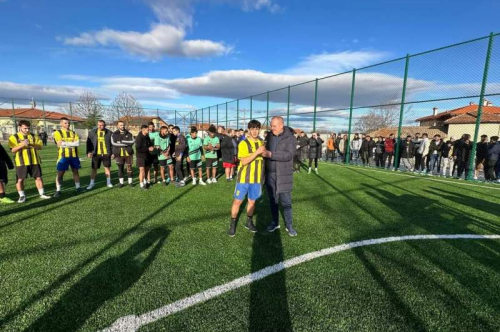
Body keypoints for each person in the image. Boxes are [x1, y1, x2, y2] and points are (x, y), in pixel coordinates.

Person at [227, 120, 265, 237]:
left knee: (252, 201)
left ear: (259, 130)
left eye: (256, 129)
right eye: (252, 129)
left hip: (256, 178)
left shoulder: (262, 143)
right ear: (249, 130)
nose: (254, 131)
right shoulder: (243, 143)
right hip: (243, 178)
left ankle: (249, 222)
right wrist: (257, 152)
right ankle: (232, 223)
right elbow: (243, 161)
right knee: (237, 201)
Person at [262, 116, 297, 236]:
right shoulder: (269, 136)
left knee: (286, 202)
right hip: (270, 174)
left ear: (281, 125)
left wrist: (271, 154)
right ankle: (275, 222)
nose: (272, 128)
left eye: (274, 126)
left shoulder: (290, 138)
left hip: (283, 175)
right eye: (271, 125)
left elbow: (288, 155)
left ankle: (289, 225)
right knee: (273, 200)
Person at [8, 120, 50, 203]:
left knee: (38, 177)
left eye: (28, 128)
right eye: (25, 128)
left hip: (34, 160)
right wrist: (22, 144)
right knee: (20, 179)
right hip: (21, 162)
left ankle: (42, 194)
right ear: (19, 127)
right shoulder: (14, 137)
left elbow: (40, 147)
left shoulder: (33, 136)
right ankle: (22, 196)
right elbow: (12, 150)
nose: (27, 130)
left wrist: (31, 144)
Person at [53, 117, 82, 198]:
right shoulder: (57, 133)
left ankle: (78, 188)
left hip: (74, 156)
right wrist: (72, 143)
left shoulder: (73, 132)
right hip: (63, 156)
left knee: (75, 171)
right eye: (65, 123)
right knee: (60, 173)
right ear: (61, 123)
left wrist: (65, 143)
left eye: (68, 123)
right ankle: (58, 190)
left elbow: (77, 143)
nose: (67, 124)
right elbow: (59, 144)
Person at [86, 120, 113, 190]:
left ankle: (108, 182)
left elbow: (112, 144)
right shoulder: (92, 133)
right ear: (97, 125)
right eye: (99, 125)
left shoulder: (109, 133)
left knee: (107, 168)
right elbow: (88, 143)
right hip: (95, 154)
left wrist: (112, 153)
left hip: (106, 153)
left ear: (105, 125)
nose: (100, 126)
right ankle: (91, 183)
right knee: (94, 168)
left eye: (102, 125)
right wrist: (89, 152)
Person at [111, 121, 135, 187]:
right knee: (120, 168)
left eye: (123, 125)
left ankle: (130, 182)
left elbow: (132, 142)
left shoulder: (129, 134)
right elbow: (114, 143)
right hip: (119, 154)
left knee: (129, 167)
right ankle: (121, 183)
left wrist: (121, 142)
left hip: (128, 154)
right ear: (118, 126)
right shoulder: (114, 134)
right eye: (121, 125)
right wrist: (126, 143)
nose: (122, 126)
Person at [135, 125, 154, 190]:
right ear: (143, 130)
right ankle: (141, 184)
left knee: (147, 170)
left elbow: (150, 144)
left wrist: (152, 146)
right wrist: (148, 148)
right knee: (142, 170)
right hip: (141, 156)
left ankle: (145, 182)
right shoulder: (139, 138)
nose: (149, 130)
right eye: (147, 130)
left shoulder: (147, 136)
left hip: (147, 156)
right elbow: (138, 149)